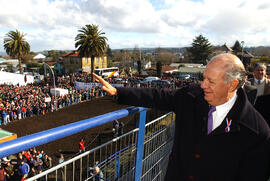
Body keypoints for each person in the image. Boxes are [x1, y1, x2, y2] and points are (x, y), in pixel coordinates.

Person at [93, 53, 270, 181]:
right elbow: (158, 96)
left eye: (211, 81)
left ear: (233, 85)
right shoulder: (190, 97)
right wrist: (119, 91)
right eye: (204, 78)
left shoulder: (257, 132)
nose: (203, 85)